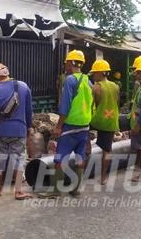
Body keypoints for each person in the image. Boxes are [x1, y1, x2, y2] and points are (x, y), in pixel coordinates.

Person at [39, 50, 93, 198]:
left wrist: (58, 126)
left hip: (71, 125)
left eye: (67, 63)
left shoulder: (70, 80)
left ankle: (56, 190)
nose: (65, 66)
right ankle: (76, 189)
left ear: (71, 63)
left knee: (60, 158)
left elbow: (65, 105)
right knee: (80, 157)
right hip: (84, 125)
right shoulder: (88, 80)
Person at [0, 63, 33, 200]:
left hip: (2, 130)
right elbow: (28, 110)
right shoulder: (23, 86)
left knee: (0, 158)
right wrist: (29, 127)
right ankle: (18, 192)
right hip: (19, 129)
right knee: (19, 159)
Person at [88, 59, 120, 185]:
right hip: (111, 121)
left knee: (85, 137)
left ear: (101, 73)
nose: (94, 76)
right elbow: (117, 103)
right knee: (107, 150)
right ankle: (103, 177)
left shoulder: (96, 87)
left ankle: (87, 163)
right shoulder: (116, 86)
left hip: (98, 120)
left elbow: (94, 105)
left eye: (95, 73)